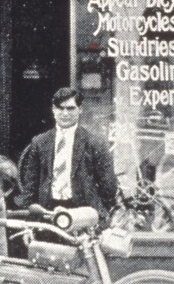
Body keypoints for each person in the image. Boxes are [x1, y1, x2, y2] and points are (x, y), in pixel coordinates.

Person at [15, 87, 118, 225]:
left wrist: (99, 212)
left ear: (80, 109)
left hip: (82, 212)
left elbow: (108, 185)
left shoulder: (94, 143)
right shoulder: (39, 142)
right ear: (53, 109)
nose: (65, 113)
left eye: (70, 109)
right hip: (48, 211)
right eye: (60, 108)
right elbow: (30, 185)